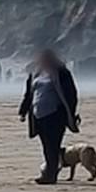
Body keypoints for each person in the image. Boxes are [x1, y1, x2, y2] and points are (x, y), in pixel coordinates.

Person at [18, 49, 80, 184]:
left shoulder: (62, 73)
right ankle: (50, 170)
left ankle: (50, 175)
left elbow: (71, 94)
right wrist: (23, 111)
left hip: (55, 115)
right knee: (46, 146)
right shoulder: (35, 73)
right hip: (38, 116)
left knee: (53, 145)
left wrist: (71, 113)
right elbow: (29, 93)